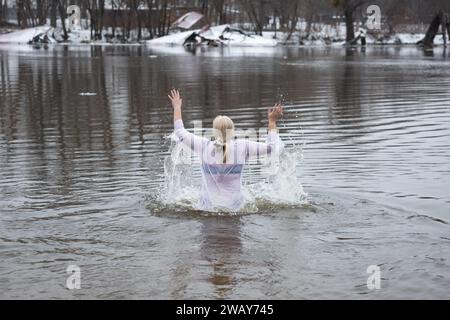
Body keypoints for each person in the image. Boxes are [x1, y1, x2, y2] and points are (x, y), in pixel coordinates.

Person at [168, 89, 284, 211]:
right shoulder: (242, 146)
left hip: (207, 208)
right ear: (232, 130)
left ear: (214, 131)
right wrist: (272, 121)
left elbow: (179, 132)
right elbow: (271, 147)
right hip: (234, 208)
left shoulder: (203, 146)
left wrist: (177, 107)